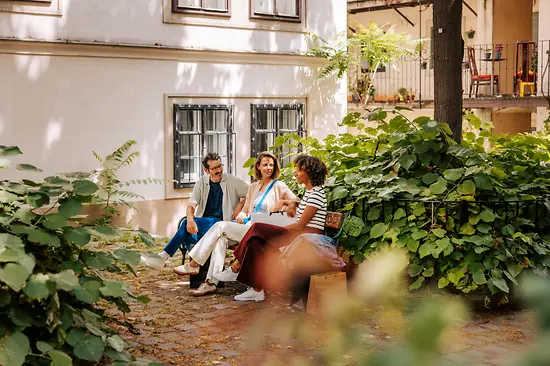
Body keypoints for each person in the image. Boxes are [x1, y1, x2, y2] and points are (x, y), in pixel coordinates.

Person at [173, 152, 297, 297]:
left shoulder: (279, 186)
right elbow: (246, 210)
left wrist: (283, 203)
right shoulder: (253, 187)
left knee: (220, 226)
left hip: (261, 232)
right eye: (265, 164)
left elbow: (296, 201)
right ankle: (210, 283)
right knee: (221, 239)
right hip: (248, 227)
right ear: (258, 166)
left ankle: (195, 263)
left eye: (271, 165)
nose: (268, 168)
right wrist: (241, 215)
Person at [215, 154, 328, 302]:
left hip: (307, 237)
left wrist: (282, 226)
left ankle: (236, 265)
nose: (296, 173)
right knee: (256, 241)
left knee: (256, 228)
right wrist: (291, 205)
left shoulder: (317, 194)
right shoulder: (310, 193)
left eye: (299, 170)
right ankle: (257, 290)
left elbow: (300, 225)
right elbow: (299, 215)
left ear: (309, 173)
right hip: (299, 234)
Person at [141, 153, 248, 269]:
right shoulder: (201, 183)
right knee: (188, 230)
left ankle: (164, 257)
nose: (219, 170)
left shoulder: (232, 180)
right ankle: (198, 267)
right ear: (206, 170)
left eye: (220, 166)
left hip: (222, 224)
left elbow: (253, 193)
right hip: (205, 224)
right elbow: (191, 205)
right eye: (214, 168)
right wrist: (190, 220)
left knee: (186, 226)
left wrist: (240, 205)